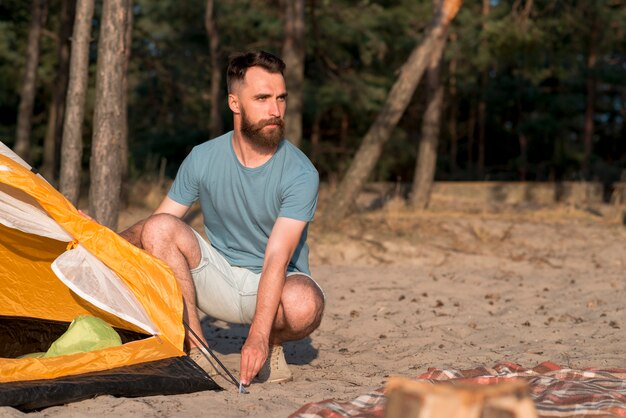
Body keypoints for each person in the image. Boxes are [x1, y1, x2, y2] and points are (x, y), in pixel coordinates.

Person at [119, 51, 324, 387]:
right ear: (234, 103)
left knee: (305, 302)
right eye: (262, 98)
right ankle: (199, 352)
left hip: (276, 285)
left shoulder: (301, 173)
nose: (275, 111)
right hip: (218, 279)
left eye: (281, 98)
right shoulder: (202, 158)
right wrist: (104, 240)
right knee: (159, 229)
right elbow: (156, 228)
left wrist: (257, 337)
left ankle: (273, 345)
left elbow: (277, 258)